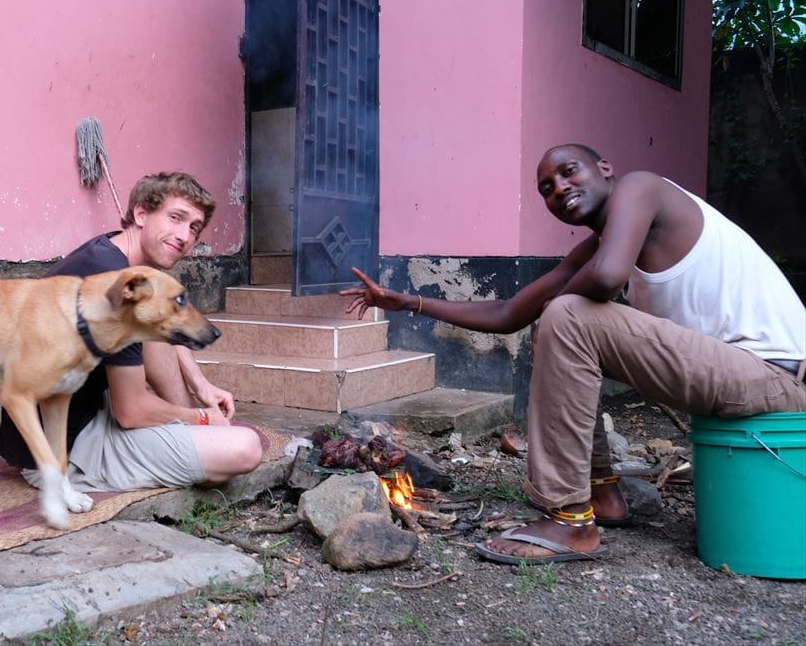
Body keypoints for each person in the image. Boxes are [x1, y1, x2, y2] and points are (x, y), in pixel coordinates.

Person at [341, 144, 806, 564]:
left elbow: (605, 279)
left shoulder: (642, 187)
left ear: (605, 168)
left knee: (568, 316)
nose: (560, 188)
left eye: (569, 172)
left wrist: (553, 311)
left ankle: (570, 520)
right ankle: (602, 494)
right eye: (546, 188)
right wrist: (409, 302)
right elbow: (508, 312)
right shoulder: (600, 247)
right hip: (730, 376)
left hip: (772, 378)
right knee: (563, 320)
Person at [0, 171, 263, 493]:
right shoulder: (115, 282)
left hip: (81, 409)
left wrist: (201, 386)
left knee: (159, 320)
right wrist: (202, 418)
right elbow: (131, 412)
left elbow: (166, 324)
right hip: (60, 448)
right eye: (175, 218)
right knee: (245, 447)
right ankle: (194, 437)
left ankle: (191, 434)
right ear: (141, 214)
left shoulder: (112, 254)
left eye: (194, 228)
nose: (184, 236)